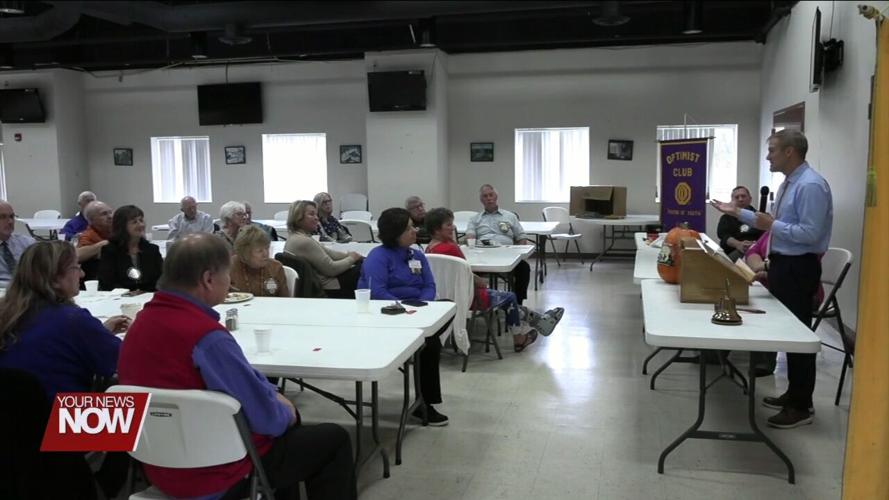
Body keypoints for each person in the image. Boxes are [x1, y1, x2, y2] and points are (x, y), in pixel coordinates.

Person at [117, 234, 356, 500]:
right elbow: (268, 421)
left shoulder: (140, 324)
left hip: (160, 464)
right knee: (332, 439)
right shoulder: (206, 338)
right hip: (219, 470)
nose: (229, 281)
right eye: (227, 274)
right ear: (208, 279)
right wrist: (287, 412)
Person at [711, 129, 832, 429]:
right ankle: (793, 394)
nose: (768, 156)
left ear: (790, 151)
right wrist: (738, 213)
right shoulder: (790, 183)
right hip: (782, 265)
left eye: (773, 150)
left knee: (797, 335)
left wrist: (772, 224)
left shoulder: (812, 186)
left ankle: (801, 406)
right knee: (786, 331)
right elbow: (770, 224)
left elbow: (811, 234)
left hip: (798, 268)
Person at [0, 240, 131, 498]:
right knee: (138, 409)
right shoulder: (72, 320)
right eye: (76, 268)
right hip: (63, 424)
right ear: (55, 278)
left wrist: (98, 332)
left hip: (13, 431)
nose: (82, 274)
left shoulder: (8, 314)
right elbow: (123, 361)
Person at [358, 208, 451, 426]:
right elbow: (378, 293)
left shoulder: (416, 254)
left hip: (418, 310)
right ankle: (425, 403)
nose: (415, 230)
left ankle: (424, 397)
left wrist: (424, 306)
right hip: (389, 315)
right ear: (395, 232)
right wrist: (406, 310)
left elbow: (430, 285)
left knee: (447, 308)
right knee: (431, 344)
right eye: (409, 227)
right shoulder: (377, 257)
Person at [424, 207, 564, 351]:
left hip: (446, 297)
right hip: (468, 298)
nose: (453, 227)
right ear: (436, 230)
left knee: (502, 297)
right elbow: (465, 273)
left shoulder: (429, 249)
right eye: (448, 224)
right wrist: (480, 282)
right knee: (510, 297)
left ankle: (540, 320)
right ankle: (519, 338)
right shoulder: (450, 248)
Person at [465, 184, 533, 304]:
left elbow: (521, 237)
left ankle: (518, 303)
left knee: (524, 268)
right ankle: (476, 303)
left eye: (491, 195)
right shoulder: (474, 219)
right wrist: (471, 241)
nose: (489, 198)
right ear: (481, 200)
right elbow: (470, 236)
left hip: (506, 254)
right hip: (482, 255)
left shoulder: (510, 216)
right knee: (466, 270)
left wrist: (518, 254)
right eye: (485, 196)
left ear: (496, 197)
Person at [284, 200, 362, 299]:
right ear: (298, 218)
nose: (317, 218)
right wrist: (352, 259)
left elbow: (330, 253)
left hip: (322, 283)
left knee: (363, 264)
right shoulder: (304, 241)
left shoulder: (297, 237)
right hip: (329, 287)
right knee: (365, 268)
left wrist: (352, 256)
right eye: (311, 214)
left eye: (316, 214)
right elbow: (331, 269)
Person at [98, 205, 163, 292]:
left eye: (141, 220)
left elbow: (161, 279)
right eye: (134, 222)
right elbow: (107, 283)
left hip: (148, 297)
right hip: (120, 299)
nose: (140, 224)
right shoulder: (110, 250)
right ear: (122, 226)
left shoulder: (152, 249)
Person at [231, 225, 289, 297]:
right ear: (245, 253)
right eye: (259, 251)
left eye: (267, 248)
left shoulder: (276, 267)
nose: (265, 254)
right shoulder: (230, 266)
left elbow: (285, 300)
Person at [716, 186, 764, 261]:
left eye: (743, 196)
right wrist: (738, 244)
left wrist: (754, 245)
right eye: (737, 197)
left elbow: (765, 236)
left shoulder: (760, 216)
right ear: (732, 200)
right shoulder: (726, 218)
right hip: (734, 251)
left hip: (757, 251)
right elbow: (724, 236)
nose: (740, 199)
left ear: (750, 199)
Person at [0, 200, 35, 286]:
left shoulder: (27, 243)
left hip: (27, 291)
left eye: (12, 216)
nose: (10, 221)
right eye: (3, 217)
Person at [76, 201, 113, 281]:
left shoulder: (117, 230)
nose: (110, 216)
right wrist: (102, 245)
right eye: (104, 214)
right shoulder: (88, 235)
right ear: (91, 220)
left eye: (110, 212)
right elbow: (78, 255)